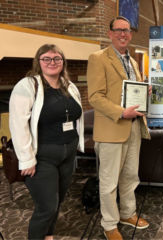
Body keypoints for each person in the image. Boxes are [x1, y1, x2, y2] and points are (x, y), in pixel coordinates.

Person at [9, 44, 84, 240]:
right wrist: (26, 159)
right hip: (42, 158)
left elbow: (75, 118)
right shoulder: (27, 85)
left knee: (57, 202)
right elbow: (18, 124)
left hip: (67, 155)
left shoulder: (69, 86)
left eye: (57, 58)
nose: (52, 62)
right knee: (47, 207)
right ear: (38, 62)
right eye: (47, 59)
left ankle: (48, 236)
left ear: (63, 62)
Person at [86, 16, 151, 240]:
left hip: (134, 127)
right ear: (110, 33)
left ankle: (127, 213)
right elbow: (95, 97)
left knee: (131, 176)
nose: (123, 34)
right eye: (118, 30)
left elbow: (128, 91)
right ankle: (109, 224)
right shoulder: (98, 58)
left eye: (126, 30)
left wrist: (144, 92)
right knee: (109, 180)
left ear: (131, 34)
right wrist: (121, 112)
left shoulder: (133, 62)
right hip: (113, 127)